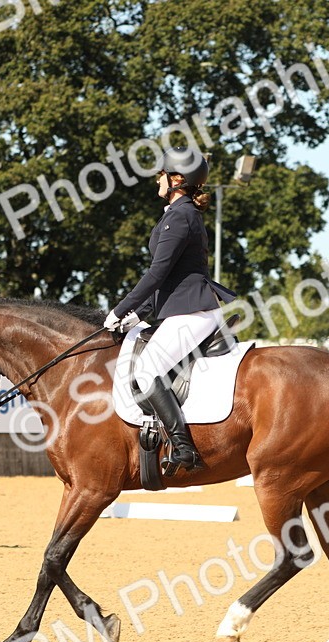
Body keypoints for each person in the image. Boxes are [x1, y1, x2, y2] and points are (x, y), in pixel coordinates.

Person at [104, 146, 235, 475]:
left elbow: (158, 273)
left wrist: (122, 308)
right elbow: (172, 277)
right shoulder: (178, 214)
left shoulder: (181, 215)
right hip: (183, 308)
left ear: (177, 179)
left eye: (162, 174)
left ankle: (183, 447)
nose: (157, 180)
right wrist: (140, 314)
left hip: (193, 312)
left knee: (146, 370)